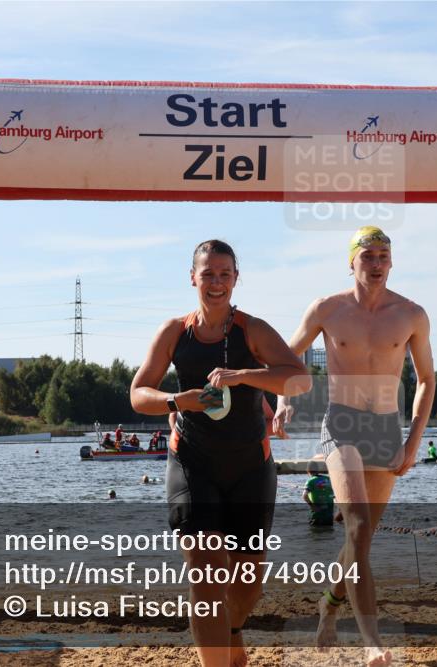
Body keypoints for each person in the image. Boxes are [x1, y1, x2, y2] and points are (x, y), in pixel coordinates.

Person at [130, 239, 310, 667]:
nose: (216, 282)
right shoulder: (175, 332)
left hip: (251, 465)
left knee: (246, 582)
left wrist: (244, 375)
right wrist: (178, 402)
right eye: (207, 273)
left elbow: (298, 379)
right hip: (193, 461)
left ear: (236, 278)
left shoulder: (254, 330)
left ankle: (231, 632)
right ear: (192, 277)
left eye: (224, 274)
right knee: (207, 574)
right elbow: (138, 394)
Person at [274, 225, 435, 667]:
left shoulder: (411, 314)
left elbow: (426, 381)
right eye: (368, 256)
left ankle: (329, 603)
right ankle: (372, 643)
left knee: (358, 542)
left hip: (386, 429)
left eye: (384, 255)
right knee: (359, 528)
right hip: (342, 424)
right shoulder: (328, 308)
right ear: (352, 262)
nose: (377, 263)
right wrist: (284, 400)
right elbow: (287, 357)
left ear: (392, 262)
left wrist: (412, 440)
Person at [302, 463, 335, 527]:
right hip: (329, 516)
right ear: (318, 470)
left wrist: (312, 506)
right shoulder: (329, 479)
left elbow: (304, 496)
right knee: (328, 533)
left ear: (307, 471)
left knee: (315, 532)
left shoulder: (310, 481)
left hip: (317, 515)